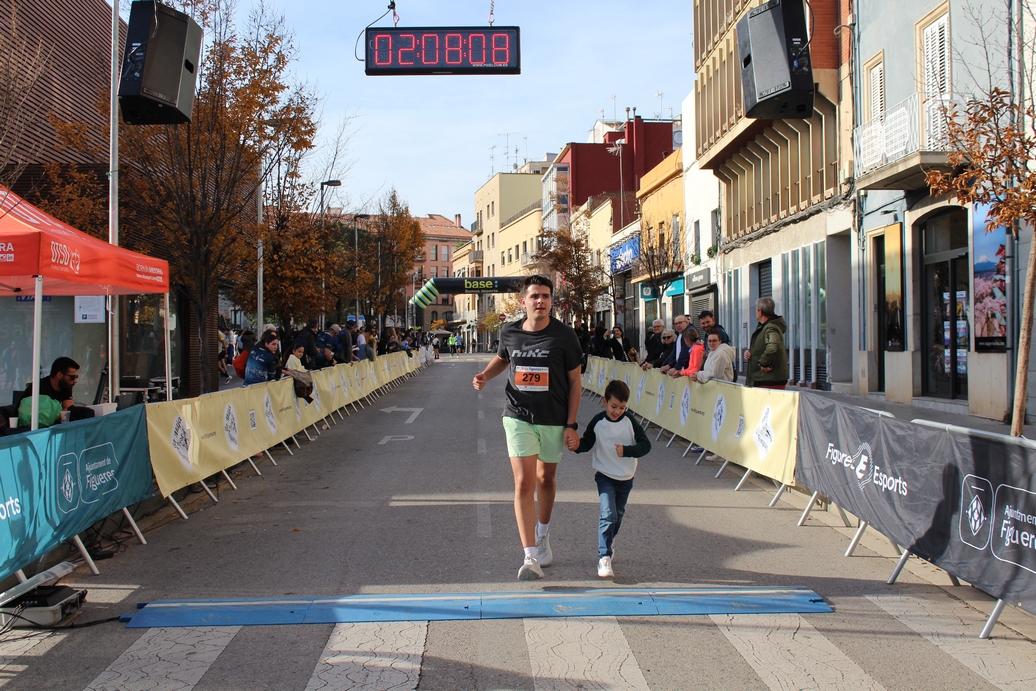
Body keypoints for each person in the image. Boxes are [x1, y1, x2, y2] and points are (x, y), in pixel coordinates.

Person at [472, 275, 583, 581]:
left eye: (545, 296)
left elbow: (575, 382)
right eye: (535, 296)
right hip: (517, 415)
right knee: (524, 482)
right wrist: (484, 376)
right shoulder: (510, 331)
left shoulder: (565, 336)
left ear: (551, 301)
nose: (540, 301)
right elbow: (502, 358)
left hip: (553, 418)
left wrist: (571, 424)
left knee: (546, 479)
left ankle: (542, 534)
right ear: (524, 301)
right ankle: (530, 555)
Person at [571, 380, 651, 579]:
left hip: (626, 476)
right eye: (614, 406)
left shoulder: (630, 421)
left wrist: (627, 451)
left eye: (622, 407)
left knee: (618, 513)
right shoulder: (598, 422)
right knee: (608, 513)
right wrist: (577, 446)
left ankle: (609, 541)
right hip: (604, 475)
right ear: (605, 401)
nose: (617, 411)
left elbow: (646, 445)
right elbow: (587, 442)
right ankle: (604, 556)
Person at [745, 297, 789, 389]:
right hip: (763, 379)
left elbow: (772, 347)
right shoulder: (764, 328)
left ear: (760, 312)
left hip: (768, 381)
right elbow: (764, 347)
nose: (755, 312)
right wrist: (750, 353)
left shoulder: (770, 328)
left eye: (756, 309)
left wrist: (764, 363)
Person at [29, 357, 93, 420]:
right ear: (60, 375)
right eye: (72, 377)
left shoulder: (65, 385)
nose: (75, 381)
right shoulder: (38, 388)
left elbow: (69, 410)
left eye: (76, 377)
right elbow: (46, 416)